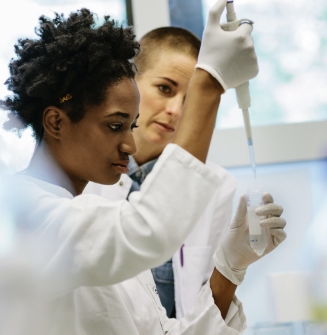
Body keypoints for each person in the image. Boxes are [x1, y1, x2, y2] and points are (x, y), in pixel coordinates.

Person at [0, 1, 286, 333]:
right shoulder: (19, 214)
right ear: (56, 122)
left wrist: (230, 268)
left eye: (131, 127)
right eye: (114, 126)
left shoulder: (94, 219)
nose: (130, 146)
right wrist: (208, 84)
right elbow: (145, 231)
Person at [83, 26, 237, 320]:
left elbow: (208, 305)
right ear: (129, 81)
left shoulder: (216, 187)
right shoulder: (84, 177)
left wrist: (234, 265)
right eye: (165, 88)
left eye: (190, 99)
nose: (176, 110)